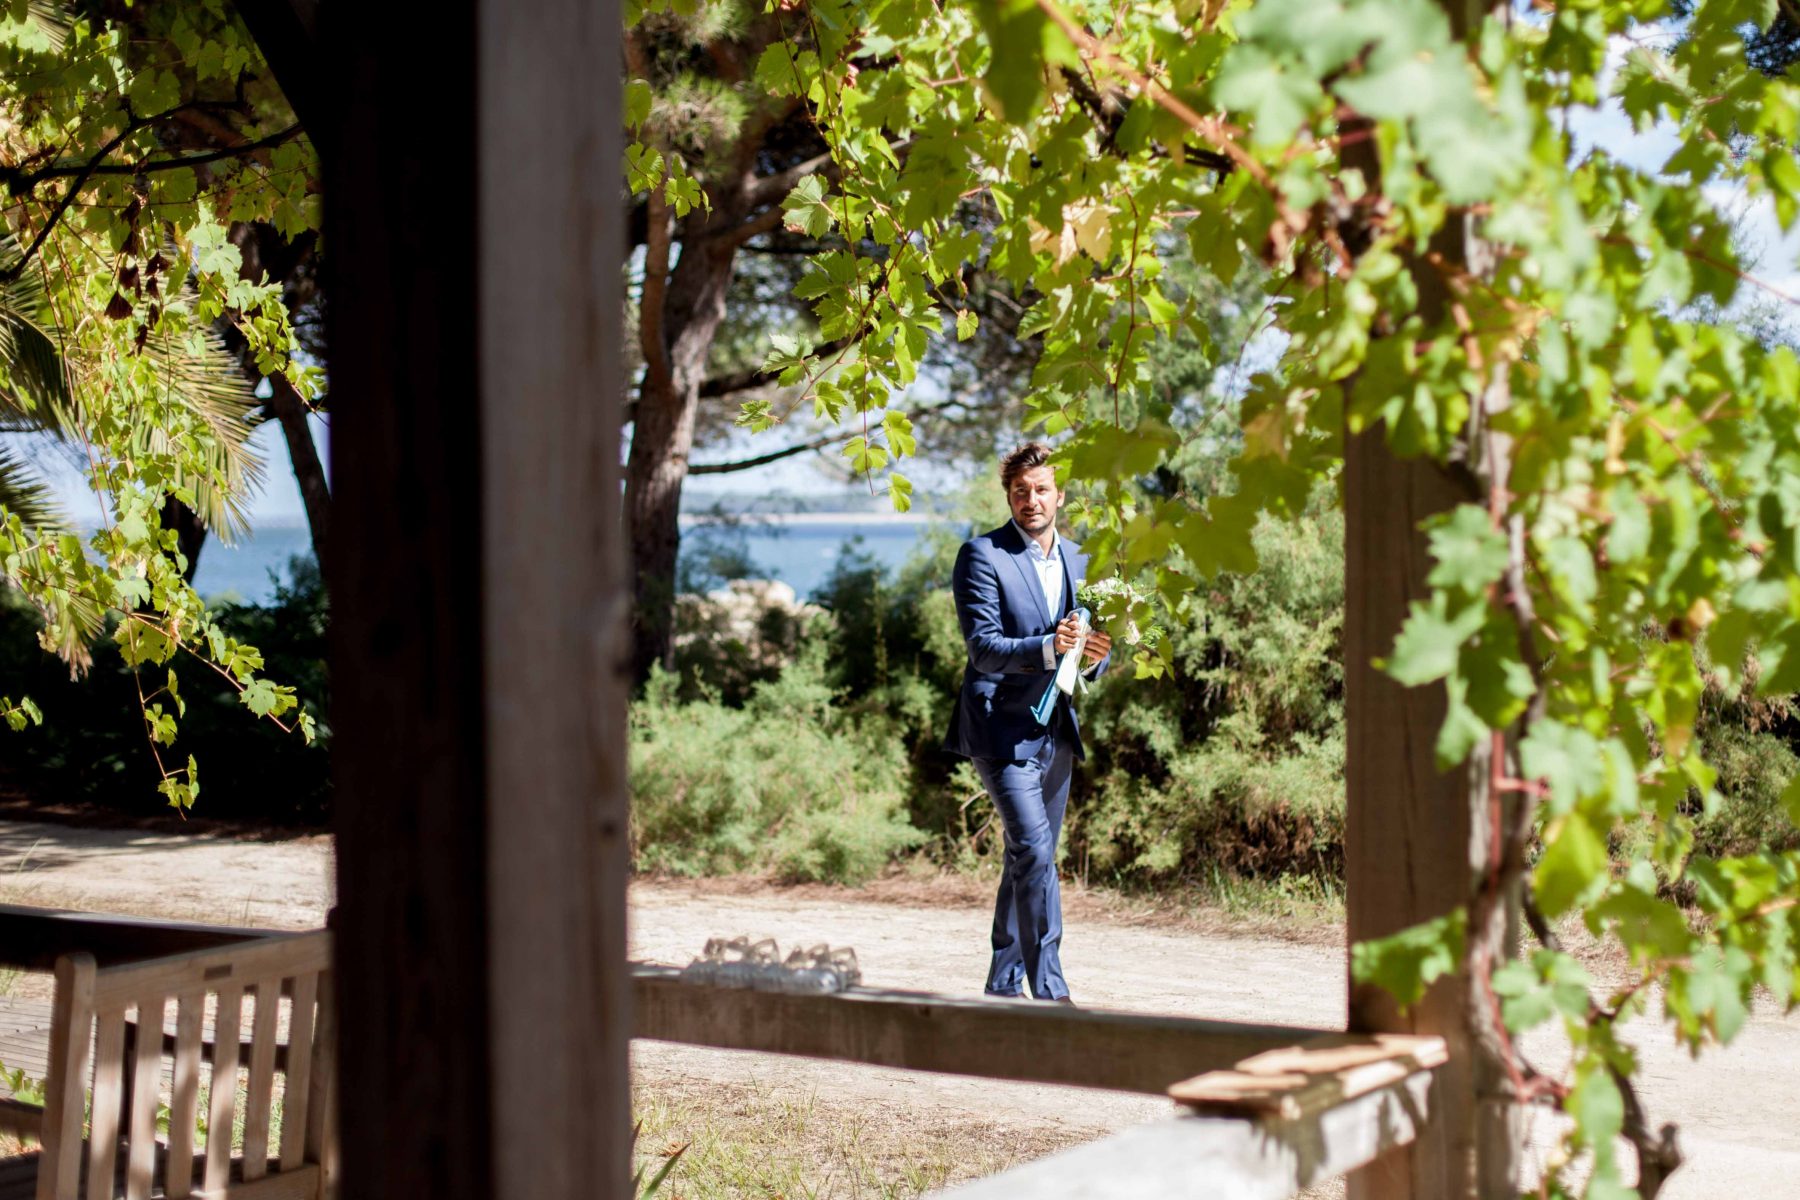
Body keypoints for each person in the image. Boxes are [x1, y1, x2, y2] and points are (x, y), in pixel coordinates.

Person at [943, 442, 1111, 1003]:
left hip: (1056, 728)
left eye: (1041, 489)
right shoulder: (981, 556)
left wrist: (1096, 656)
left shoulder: (1082, 559)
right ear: (1009, 497)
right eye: (1020, 491)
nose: (1030, 499)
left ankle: (1002, 982)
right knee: (1035, 850)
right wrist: (1048, 646)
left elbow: (1090, 646)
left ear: (1059, 495)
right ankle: (1052, 991)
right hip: (999, 728)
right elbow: (984, 649)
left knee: (1028, 855)